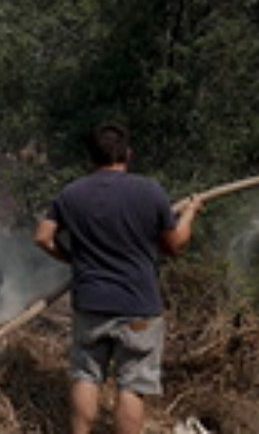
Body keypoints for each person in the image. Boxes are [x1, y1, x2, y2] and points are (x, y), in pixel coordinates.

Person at [33, 123, 203, 434]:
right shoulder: (149, 190)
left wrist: (72, 258)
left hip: (91, 302)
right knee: (132, 385)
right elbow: (174, 245)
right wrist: (190, 212)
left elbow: (43, 237)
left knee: (86, 375)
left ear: (90, 157)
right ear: (128, 153)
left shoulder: (71, 194)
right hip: (138, 305)